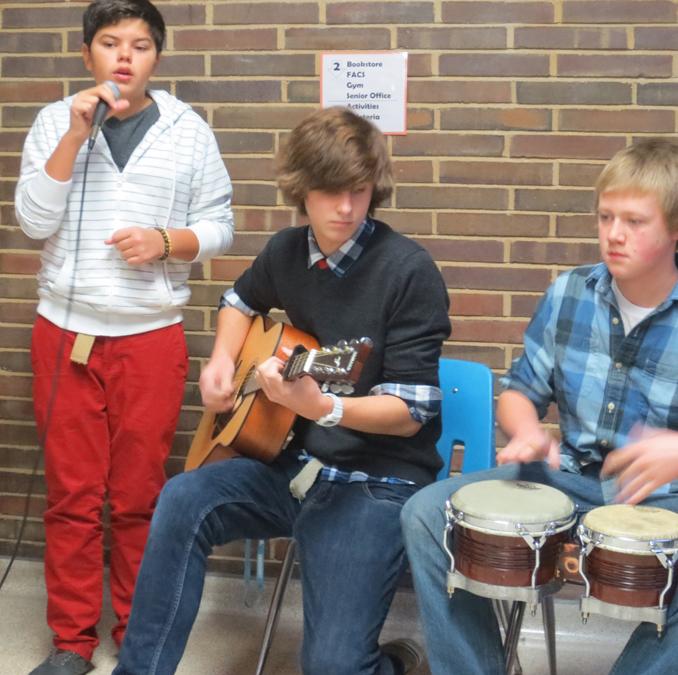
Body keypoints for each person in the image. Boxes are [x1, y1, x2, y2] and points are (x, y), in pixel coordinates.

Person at [112, 106, 451, 675]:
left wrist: (325, 407)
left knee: (332, 667)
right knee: (183, 497)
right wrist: (221, 363)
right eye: (329, 191)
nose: (345, 207)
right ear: (302, 191)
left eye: (360, 191)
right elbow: (239, 302)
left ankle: (390, 664)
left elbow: (412, 413)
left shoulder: (409, 271)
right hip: (295, 464)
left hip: (378, 481)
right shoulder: (287, 250)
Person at [400, 137, 678, 675]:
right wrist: (524, 426)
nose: (613, 234)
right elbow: (522, 389)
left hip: (661, 498)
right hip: (565, 477)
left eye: (635, 221)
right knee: (428, 515)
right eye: (605, 217)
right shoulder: (569, 293)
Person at [15, 1, 234, 673]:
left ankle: (137, 632)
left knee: (139, 495)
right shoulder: (56, 121)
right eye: (110, 43)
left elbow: (221, 223)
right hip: (66, 335)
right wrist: (75, 136)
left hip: (150, 338)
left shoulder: (187, 130)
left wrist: (169, 241)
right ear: (88, 55)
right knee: (72, 497)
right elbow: (31, 219)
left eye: (139, 45)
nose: (124, 56)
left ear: (156, 59)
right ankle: (71, 642)